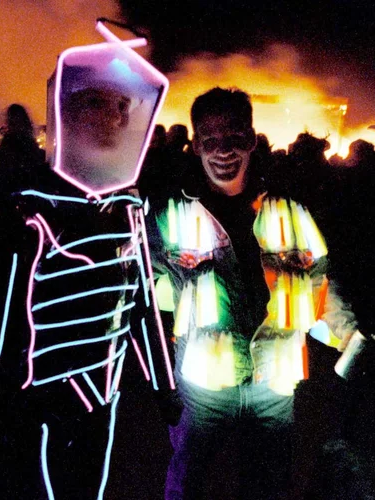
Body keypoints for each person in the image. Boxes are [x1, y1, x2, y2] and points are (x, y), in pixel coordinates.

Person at [0, 22, 174, 499]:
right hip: (31, 402)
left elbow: (140, 305)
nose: (114, 117)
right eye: (97, 102)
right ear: (65, 110)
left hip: (103, 394)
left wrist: (164, 390)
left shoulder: (128, 210)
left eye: (124, 105)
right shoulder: (22, 209)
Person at [146, 87, 359, 499]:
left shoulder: (290, 211)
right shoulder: (168, 215)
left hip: (275, 386)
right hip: (203, 386)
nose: (223, 151)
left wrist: (351, 338)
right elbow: (132, 278)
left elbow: (319, 282)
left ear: (251, 138)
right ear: (195, 146)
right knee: (187, 484)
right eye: (210, 140)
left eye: (234, 138)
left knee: (268, 486)